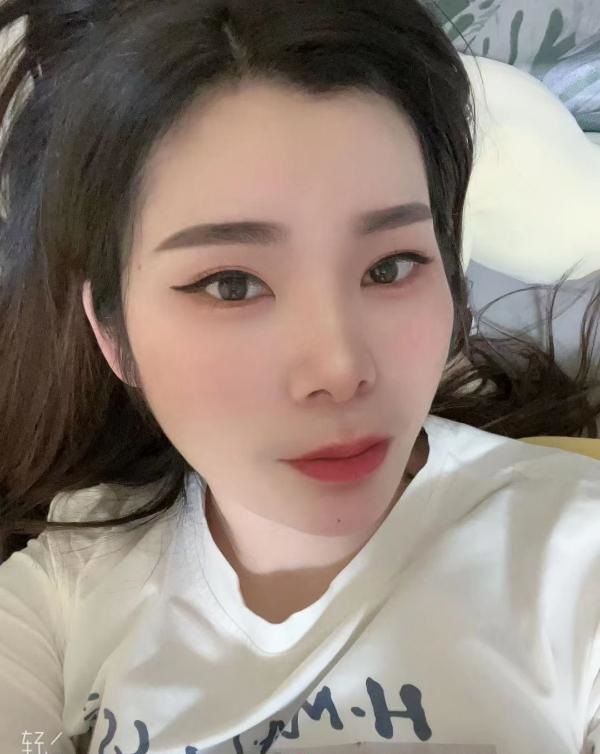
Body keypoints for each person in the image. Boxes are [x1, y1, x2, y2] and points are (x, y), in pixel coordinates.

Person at [0, 0, 598, 752]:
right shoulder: (71, 581)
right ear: (113, 335)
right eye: (231, 285)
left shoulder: (575, 558)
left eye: (391, 266)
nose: (341, 370)